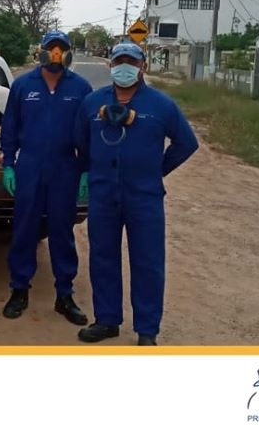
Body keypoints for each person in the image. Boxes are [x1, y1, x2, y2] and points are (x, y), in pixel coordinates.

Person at [75, 41, 198, 346]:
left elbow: (186, 143)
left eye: (131, 62)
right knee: (103, 257)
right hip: (104, 194)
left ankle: (147, 329)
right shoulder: (92, 103)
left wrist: (157, 170)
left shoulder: (161, 105)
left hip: (144, 196)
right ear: (111, 65)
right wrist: (91, 171)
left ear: (143, 66)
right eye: (119, 62)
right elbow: (81, 141)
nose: (124, 67)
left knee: (148, 261)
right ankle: (107, 320)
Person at [0, 30, 93, 325]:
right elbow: (10, 128)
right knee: (24, 229)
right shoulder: (23, 85)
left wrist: (85, 170)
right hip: (29, 165)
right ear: (40, 51)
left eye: (61, 48)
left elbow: (89, 133)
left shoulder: (81, 87)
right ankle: (19, 290)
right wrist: (9, 164)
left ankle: (64, 295)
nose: (55, 53)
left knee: (62, 232)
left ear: (68, 53)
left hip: (66, 167)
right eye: (50, 48)